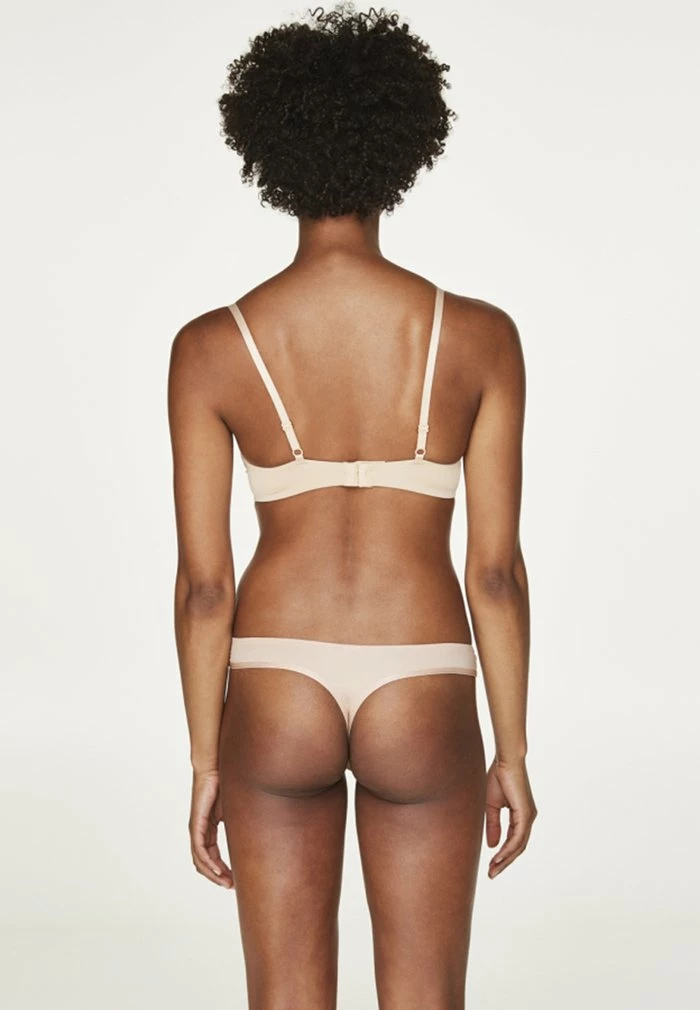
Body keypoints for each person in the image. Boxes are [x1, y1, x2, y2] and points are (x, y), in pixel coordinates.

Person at [167, 5, 537, 1007]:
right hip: (423, 676)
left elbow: (204, 587)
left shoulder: (210, 347)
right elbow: (494, 573)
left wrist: (205, 759)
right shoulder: (480, 338)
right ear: (401, 147)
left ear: (273, 151)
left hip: (273, 679)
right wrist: (511, 748)